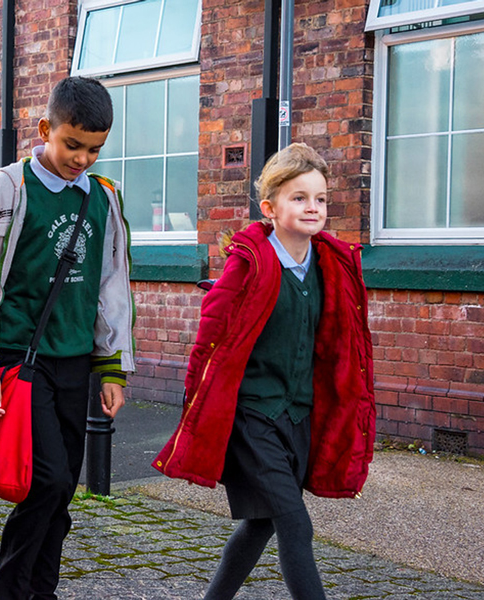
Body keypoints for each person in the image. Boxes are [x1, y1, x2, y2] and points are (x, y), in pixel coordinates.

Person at [153, 143, 376, 599]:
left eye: (320, 199)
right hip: (252, 417)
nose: (313, 208)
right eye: (299, 198)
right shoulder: (250, 262)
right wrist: (197, 406)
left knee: (260, 523)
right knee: (295, 522)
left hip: (298, 416)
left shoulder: (331, 264)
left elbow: (343, 343)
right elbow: (211, 341)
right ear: (270, 207)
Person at [0, 75, 135, 599]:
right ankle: (11, 591)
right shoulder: (9, 187)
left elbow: (112, 285)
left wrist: (111, 366)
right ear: (46, 130)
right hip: (20, 360)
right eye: (72, 145)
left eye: (95, 150)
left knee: (59, 494)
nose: (82, 158)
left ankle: (42, 590)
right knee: (49, 482)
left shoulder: (105, 197)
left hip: (76, 362)